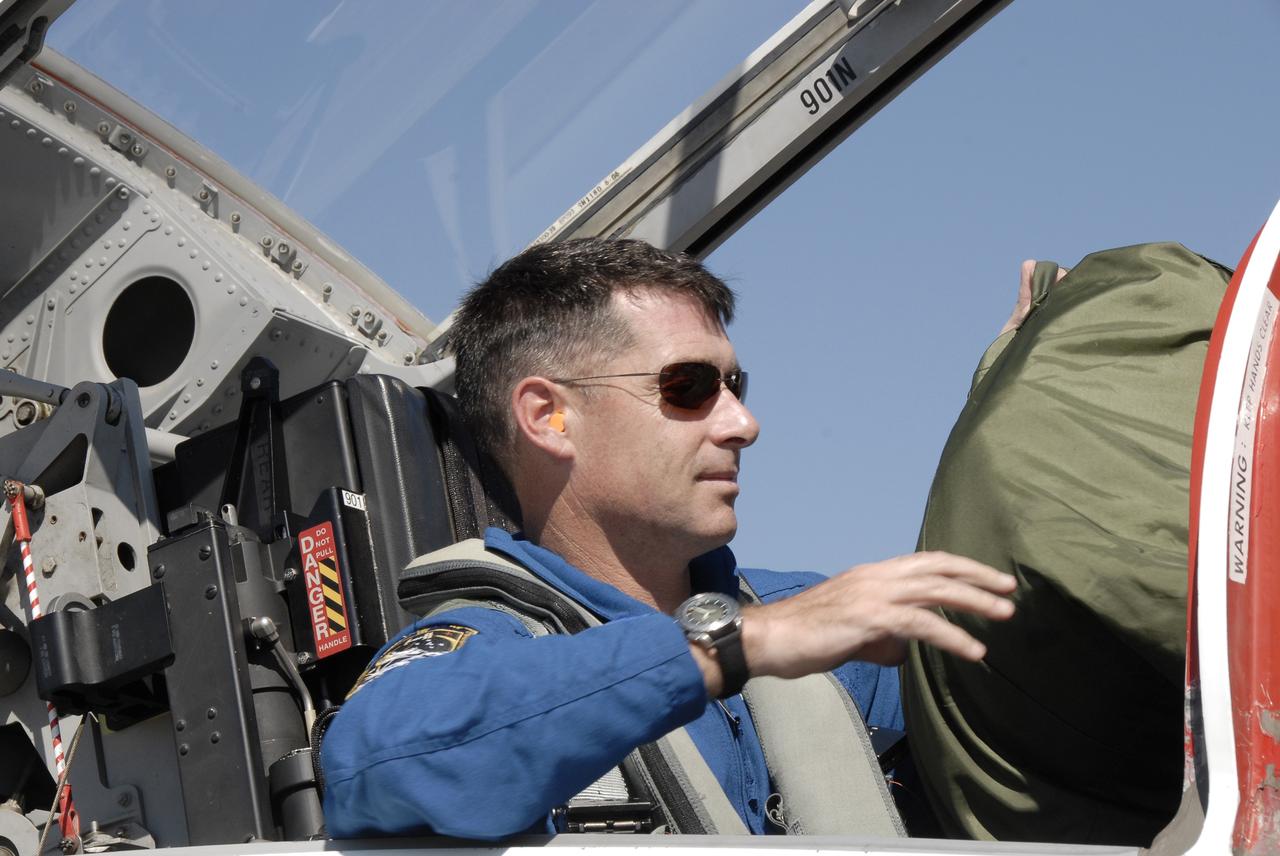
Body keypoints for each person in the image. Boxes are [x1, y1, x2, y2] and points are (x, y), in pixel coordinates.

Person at [320, 238, 1017, 840]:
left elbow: (1043, 693)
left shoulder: (824, 629)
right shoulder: (483, 650)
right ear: (548, 416)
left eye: (736, 383)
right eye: (690, 386)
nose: (743, 423)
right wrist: (737, 646)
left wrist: (1028, 397)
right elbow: (376, 764)